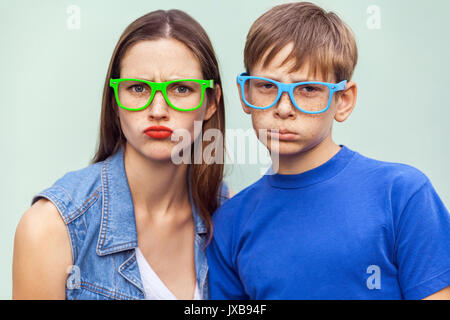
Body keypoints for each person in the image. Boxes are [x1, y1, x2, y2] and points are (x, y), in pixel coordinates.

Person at [207, 2, 450, 300]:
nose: (284, 108)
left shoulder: (402, 195)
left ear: (344, 100)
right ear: (246, 93)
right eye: (267, 86)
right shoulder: (229, 223)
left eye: (308, 90)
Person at [13, 9, 230, 300]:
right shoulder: (51, 227)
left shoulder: (226, 213)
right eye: (138, 88)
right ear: (115, 101)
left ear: (211, 103)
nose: (158, 111)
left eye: (180, 89)